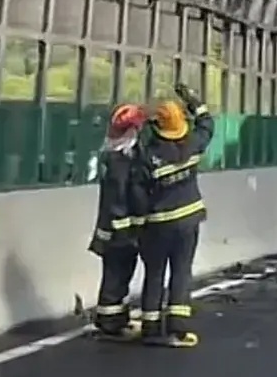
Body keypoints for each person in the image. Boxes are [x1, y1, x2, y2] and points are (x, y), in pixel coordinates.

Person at [134, 83, 214, 347]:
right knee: (181, 271)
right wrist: (194, 101)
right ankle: (177, 326)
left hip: (158, 224)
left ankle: (150, 326)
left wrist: (138, 225)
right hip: (189, 221)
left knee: (154, 273)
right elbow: (207, 125)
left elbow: (138, 193)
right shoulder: (192, 145)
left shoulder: (149, 155)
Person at [89, 103, 148, 339]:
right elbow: (128, 198)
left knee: (116, 275)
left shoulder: (111, 157)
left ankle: (113, 317)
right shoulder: (122, 163)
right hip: (121, 232)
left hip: (112, 230)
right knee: (117, 275)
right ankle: (110, 322)